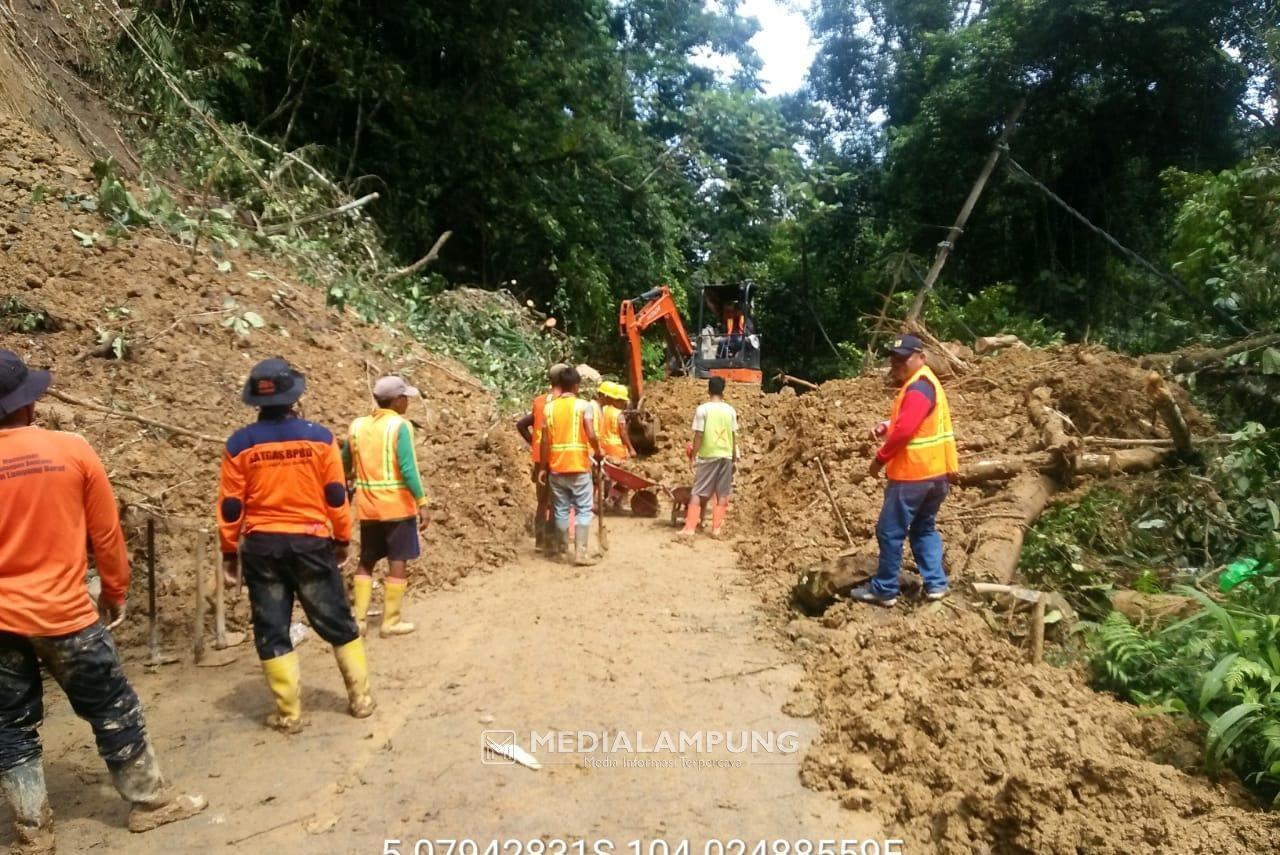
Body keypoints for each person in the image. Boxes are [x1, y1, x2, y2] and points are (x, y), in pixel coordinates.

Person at [0, 350, 206, 851]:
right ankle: (149, 804)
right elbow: (107, 537)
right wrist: (115, 593)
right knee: (113, 706)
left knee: (9, 726)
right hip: (67, 616)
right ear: (30, 402)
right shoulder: (73, 451)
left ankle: (33, 831)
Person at [219, 358, 375, 733]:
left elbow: (231, 505)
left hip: (262, 547)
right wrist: (341, 538)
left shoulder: (239, 444)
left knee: (272, 627)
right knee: (336, 619)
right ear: (295, 397)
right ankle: (361, 698)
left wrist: (229, 551)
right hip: (310, 543)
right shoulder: (320, 439)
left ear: (255, 400)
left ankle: (289, 715)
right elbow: (336, 496)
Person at [851, 335, 959, 608]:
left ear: (921, 357)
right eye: (894, 357)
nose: (897, 363)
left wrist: (880, 458)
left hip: (913, 475)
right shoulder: (925, 384)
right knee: (923, 529)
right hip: (936, 474)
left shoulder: (918, 387)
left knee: (889, 531)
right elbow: (915, 420)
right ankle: (936, 584)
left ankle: (885, 589)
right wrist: (887, 424)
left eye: (903, 357)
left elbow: (907, 430)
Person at [344, 375, 430, 637]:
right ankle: (390, 621)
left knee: (367, 560)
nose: (407, 403)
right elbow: (407, 468)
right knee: (398, 558)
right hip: (396, 507)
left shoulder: (357, 426)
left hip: (368, 507)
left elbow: (345, 462)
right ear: (396, 400)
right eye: (405, 398)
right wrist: (422, 502)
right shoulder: (400, 426)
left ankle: (358, 620)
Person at [538, 366, 603, 565]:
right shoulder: (583, 406)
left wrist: (542, 467)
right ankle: (581, 553)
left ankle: (562, 550)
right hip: (578, 465)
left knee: (561, 509)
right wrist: (599, 451)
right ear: (576, 386)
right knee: (583, 509)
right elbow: (591, 433)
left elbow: (545, 441)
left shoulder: (549, 408)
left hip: (556, 467)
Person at [678, 376, 740, 539]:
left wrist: (693, 455)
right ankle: (716, 529)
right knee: (722, 493)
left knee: (698, 492)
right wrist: (734, 457)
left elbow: (699, 435)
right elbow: (733, 436)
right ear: (723, 390)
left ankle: (690, 527)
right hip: (725, 455)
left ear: (709, 390)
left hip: (708, 455)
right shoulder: (730, 411)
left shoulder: (703, 410)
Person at [516, 364, 569, 550]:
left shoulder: (539, 401)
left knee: (542, 501)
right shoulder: (565, 403)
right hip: (558, 458)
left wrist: (534, 444)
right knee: (557, 502)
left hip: (540, 459)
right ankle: (552, 540)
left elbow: (522, 424)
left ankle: (539, 541)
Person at [596, 381, 634, 462]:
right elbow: (623, 433)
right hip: (616, 448)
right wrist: (631, 449)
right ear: (620, 401)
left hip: (602, 445)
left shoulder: (603, 409)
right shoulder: (619, 414)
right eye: (623, 402)